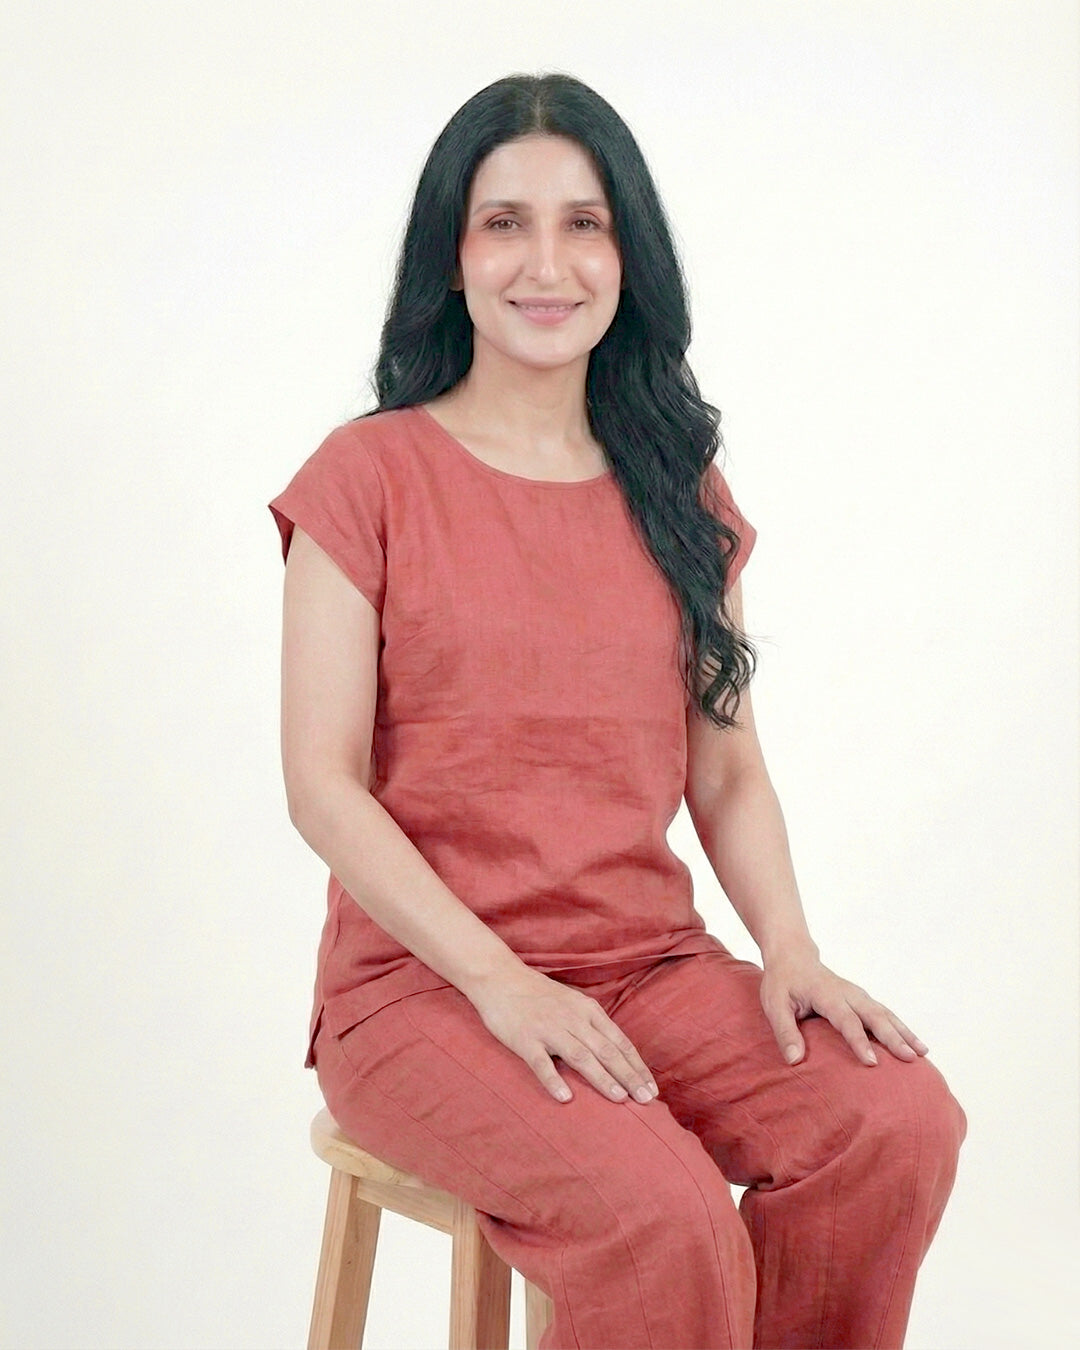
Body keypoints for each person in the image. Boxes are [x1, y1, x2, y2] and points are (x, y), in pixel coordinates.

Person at [268, 72, 966, 1350]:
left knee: (896, 1121)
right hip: (421, 991)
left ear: (628, 254)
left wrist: (792, 951)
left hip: (646, 967)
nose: (548, 263)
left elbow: (729, 771)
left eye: (584, 224)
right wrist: (499, 983)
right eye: (505, 223)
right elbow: (322, 785)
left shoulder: (678, 493)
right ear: (452, 256)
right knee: (660, 1217)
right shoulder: (366, 477)